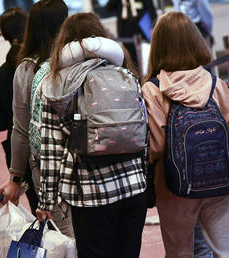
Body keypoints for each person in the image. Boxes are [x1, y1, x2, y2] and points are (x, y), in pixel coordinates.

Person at [142, 11, 229, 258]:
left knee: (181, 253)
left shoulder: (153, 90)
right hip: (221, 181)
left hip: (174, 187)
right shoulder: (216, 84)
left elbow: (157, 145)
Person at [35, 13, 148, 258]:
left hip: (91, 196)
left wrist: (46, 201)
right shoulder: (125, 75)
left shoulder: (56, 85)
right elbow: (143, 132)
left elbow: (51, 150)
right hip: (133, 190)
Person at [0, 0, 74, 237]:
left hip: (48, 168)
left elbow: (20, 129)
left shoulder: (27, 69)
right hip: (86, 162)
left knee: (64, 238)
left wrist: (15, 177)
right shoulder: (78, 60)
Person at [0, 7, 39, 214]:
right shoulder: (43, 65)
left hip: (20, 156)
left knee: (39, 208)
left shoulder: (1, 76)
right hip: (49, 146)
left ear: (3, 35)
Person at [106, 0, 157, 66]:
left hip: (141, 30)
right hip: (125, 32)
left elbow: (151, 10)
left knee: (145, 57)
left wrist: (153, 27)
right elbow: (108, 8)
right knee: (130, 58)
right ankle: (134, 73)